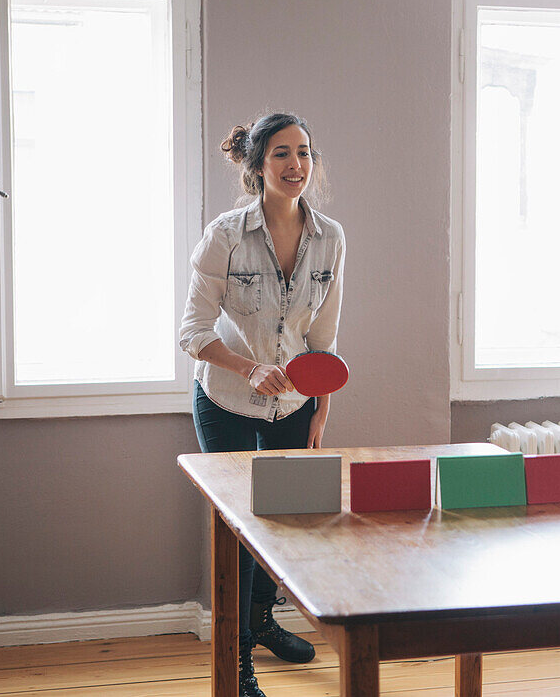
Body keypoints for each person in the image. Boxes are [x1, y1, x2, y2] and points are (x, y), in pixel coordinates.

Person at [179, 113, 345, 697]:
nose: (295, 164)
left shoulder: (331, 237)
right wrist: (250, 368)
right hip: (225, 398)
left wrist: (320, 409)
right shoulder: (224, 234)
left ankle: (260, 622)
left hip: (296, 403)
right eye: (281, 153)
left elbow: (323, 338)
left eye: (304, 152)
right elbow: (193, 332)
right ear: (257, 165)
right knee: (238, 527)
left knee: (278, 523)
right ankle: (237, 656)